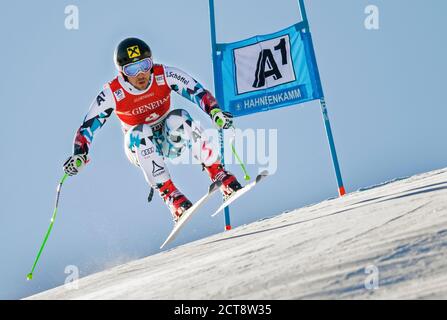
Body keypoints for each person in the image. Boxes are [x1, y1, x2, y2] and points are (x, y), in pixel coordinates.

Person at [63, 37, 242, 223]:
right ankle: (171, 196)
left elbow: (197, 92)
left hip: (169, 141)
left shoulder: (163, 74)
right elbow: (88, 126)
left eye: (145, 65)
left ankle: (220, 174)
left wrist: (215, 113)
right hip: (139, 147)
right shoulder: (112, 93)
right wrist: (79, 154)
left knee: (180, 117)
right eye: (132, 69)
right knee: (139, 133)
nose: (141, 74)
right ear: (122, 73)